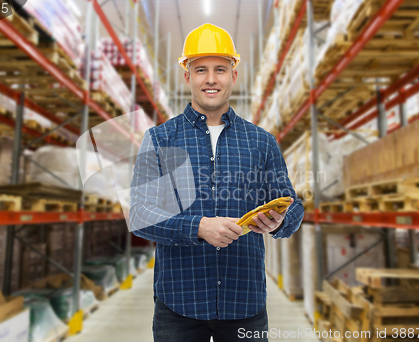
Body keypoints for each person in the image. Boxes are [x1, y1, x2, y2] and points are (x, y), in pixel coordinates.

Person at [129, 23, 304, 342]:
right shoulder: (160, 138)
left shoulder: (261, 141)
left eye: (220, 69)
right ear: (187, 76)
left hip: (244, 302)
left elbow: (292, 205)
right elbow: (140, 214)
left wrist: (279, 221)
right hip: (179, 303)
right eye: (201, 69)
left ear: (234, 75)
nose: (211, 79)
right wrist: (197, 227)